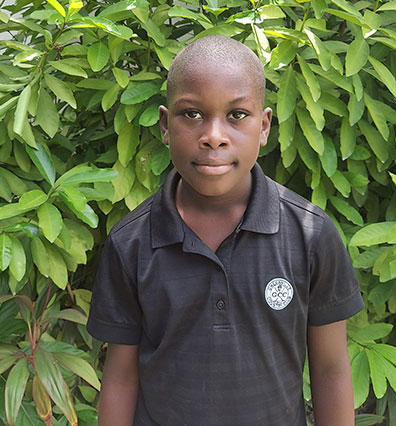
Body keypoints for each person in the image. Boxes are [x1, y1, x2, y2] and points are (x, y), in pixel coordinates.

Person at [87, 35, 364, 426]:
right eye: (192, 114)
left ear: (264, 126)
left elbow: (331, 370)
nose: (213, 136)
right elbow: (120, 377)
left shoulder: (311, 236)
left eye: (236, 115)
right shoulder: (130, 243)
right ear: (165, 125)